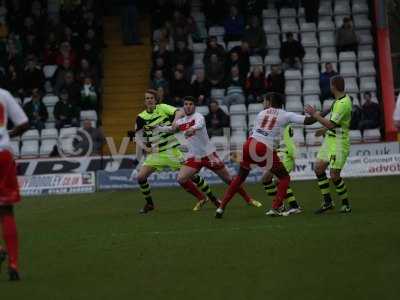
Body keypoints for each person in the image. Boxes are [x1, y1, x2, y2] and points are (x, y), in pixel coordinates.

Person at [215, 92, 317, 218]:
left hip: (248, 144)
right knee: (285, 178)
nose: (263, 103)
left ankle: (221, 207)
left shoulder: (261, 113)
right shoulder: (286, 115)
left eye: (264, 101)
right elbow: (310, 121)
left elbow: (256, 131)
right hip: (262, 147)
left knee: (239, 178)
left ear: (269, 102)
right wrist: (316, 114)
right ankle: (277, 208)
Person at [158, 96, 262, 208]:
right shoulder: (181, 121)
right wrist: (157, 128)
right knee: (181, 178)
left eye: (190, 104)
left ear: (194, 106)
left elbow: (200, 124)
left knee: (228, 180)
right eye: (186, 104)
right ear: (183, 106)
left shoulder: (198, 116)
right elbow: (170, 129)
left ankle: (248, 199)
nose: (188, 106)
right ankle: (202, 198)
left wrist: (192, 129)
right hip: (195, 157)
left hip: (209, 155)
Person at [134, 90, 218, 213]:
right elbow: (137, 136)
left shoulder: (162, 108)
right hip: (157, 153)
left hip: (172, 149)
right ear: (144, 101)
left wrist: (175, 120)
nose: (149, 100)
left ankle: (212, 198)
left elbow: (180, 111)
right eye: (147, 98)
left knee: (192, 176)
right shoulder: (141, 117)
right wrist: (145, 147)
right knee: (141, 177)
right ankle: (150, 204)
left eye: (151, 98)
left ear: (156, 100)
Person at [304, 75, 352, 214]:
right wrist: (324, 129)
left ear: (333, 86)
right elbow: (335, 123)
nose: (330, 87)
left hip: (339, 142)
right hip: (330, 139)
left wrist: (315, 115)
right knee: (318, 168)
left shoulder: (343, 104)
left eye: (331, 85)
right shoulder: (338, 101)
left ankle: (346, 204)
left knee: (334, 175)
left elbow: (331, 123)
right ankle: (328, 202)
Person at [0, 87, 30, 281]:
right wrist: (8, 133)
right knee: (6, 210)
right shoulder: (3, 94)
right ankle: (13, 263)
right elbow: (24, 123)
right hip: (3, 154)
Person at [262, 124, 302, 216]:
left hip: (286, 156)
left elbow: (289, 139)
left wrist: (292, 155)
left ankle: (293, 207)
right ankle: (280, 205)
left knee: (278, 180)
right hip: (279, 156)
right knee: (266, 179)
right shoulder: (274, 125)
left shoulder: (285, 125)